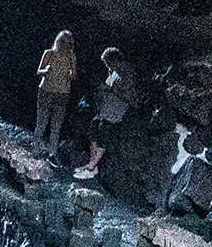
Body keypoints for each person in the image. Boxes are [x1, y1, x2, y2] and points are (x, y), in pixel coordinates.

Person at [73, 49, 137, 181]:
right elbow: (107, 86)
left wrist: (110, 89)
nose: (107, 66)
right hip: (104, 110)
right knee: (93, 131)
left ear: (114, 60)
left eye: (108, 62)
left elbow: (128, 96)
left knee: (103, 135)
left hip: (114, 111)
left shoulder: (126, 72)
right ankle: (92, 165)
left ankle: (90, 168)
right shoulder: (112, 73)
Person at [35, 30, 80, 153]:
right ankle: (36, 150)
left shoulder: (71, 56)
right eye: (62, 41)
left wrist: (68, 72)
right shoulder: (49, 53)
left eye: (67, 42)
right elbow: (39, 71)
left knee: (56, 125)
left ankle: (52, 153)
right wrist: (47, 70)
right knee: (42, 123)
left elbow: (74, 75)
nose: (64, 44)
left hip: (62, 93)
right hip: (46, 90)